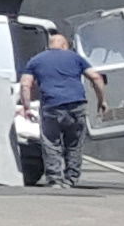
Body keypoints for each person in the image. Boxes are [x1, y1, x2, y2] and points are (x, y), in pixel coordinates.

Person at [23, 25, 96, 192]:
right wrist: (101, 100)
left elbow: (25, 85)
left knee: (51, 143)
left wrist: (26, 107)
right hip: (76, 105)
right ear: (64, 45)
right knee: (74, 144)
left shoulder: (36, 60)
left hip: (51, 105)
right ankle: (71, 179)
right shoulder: (76, 58)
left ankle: (55, 179)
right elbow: (96, 77)